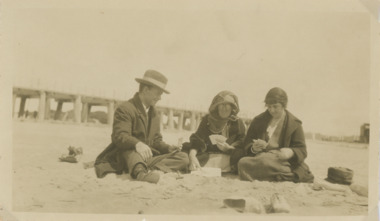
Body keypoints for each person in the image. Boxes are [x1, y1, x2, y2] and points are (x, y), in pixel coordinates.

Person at [94, 70, 189, 183]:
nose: (159, 98)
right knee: (131, 151)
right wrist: (137, 144)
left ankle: (142, 168)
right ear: (145, 90)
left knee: (183, 158)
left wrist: (168, 148)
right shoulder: (125, 108)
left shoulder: (154, 114)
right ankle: (140, 173)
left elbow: (156, 141)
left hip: (146, 158)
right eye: (158, 94)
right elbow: (119, 136)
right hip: (126, 155)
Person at [238, 87, 314, 183]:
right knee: (242, 163)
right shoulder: (258, 120)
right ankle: (284, 176)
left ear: (283, 105)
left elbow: (302, 150)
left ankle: (283, 175)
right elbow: (247, 142)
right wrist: (253, 148)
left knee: (265, 163)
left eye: (275, 106)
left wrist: (290, 152)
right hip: (260, 159)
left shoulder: (294, 124)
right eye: (269, 107)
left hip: (283, 163)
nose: (272, 110)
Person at [182, 91, 246, 174]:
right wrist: (192, 156)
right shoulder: (207, 120)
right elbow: (197, 140)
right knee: (186, 155)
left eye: (227, 105)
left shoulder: (237, 122)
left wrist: (230, 148)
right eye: (221, 104)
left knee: (241, 157)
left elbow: (242, 142)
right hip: (207, 156)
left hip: (229, 157)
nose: (224, 108)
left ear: (232, 107)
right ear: (217, 106)